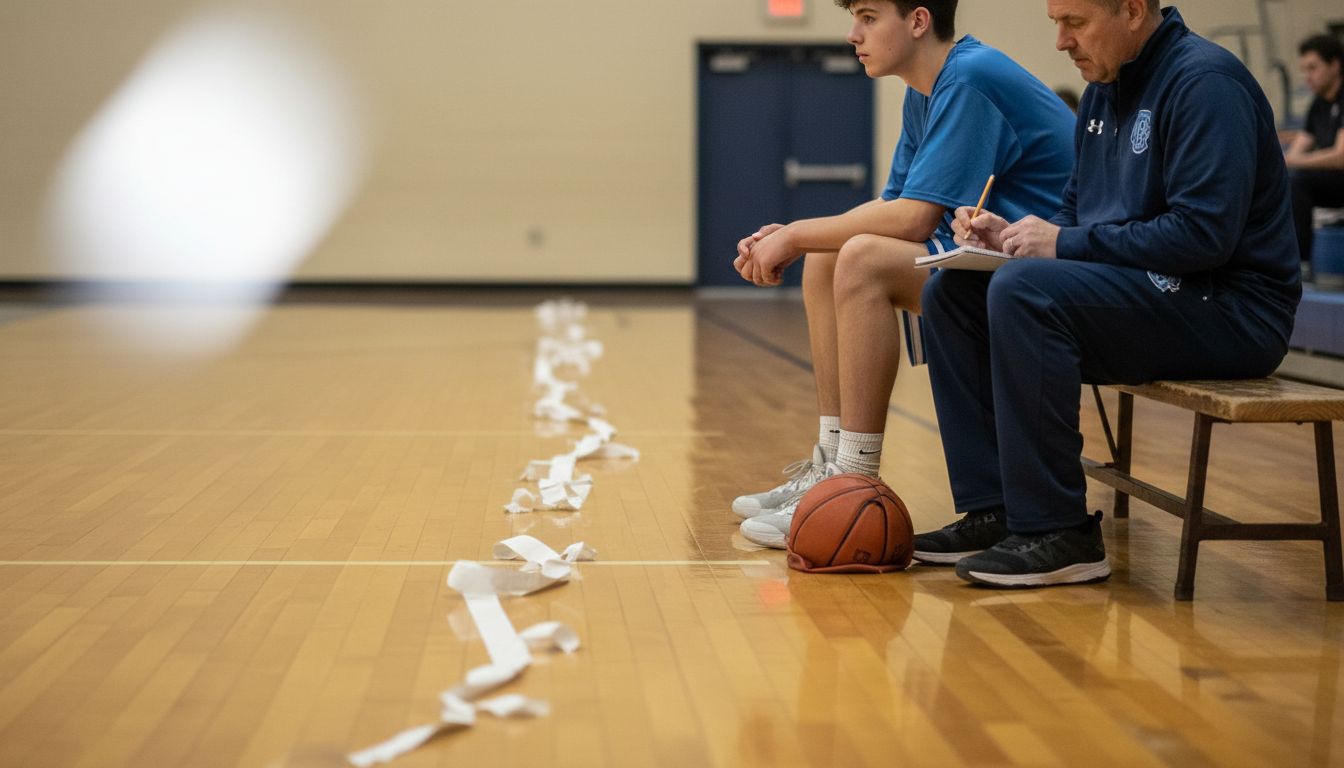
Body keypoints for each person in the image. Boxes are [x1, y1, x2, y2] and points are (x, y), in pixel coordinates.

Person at [914, 0, 1301, 587]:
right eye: (1055, 24)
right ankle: (994, 510)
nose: (1062, 42)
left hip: (1231, 308)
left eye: (1076, 23)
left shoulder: (1205, 82)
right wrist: (1010, 237)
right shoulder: (1102, 91)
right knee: (953, 293)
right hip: (1154, 292)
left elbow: (1203, 236)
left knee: (1026, 293)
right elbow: (1075, 218)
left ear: (1133, 11)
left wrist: (1061, 244)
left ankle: (1060, 530)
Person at [730, 0, 1075, 548]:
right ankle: (829, 466)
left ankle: (854, 481)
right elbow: (897, 205)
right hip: (995, 258)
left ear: (917, 21)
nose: (852, 34)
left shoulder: (969, 77)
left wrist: (795, 233)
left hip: (1055, 271)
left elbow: (913, 220)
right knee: (829, 254)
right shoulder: (927, 90)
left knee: (859, 258)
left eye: (868, 18)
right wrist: (797, 234)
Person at [1285, 34, 1344, 279]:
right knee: (1284, 179)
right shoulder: (1319, 104)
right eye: (1304, 70)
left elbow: (1341, 157)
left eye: (1313, 68)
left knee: (1298, 180)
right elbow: (1295, 152)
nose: (1307, 76)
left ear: (1335, 66)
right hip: (1331, 183)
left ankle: (1303, 263)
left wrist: (1292, 162)